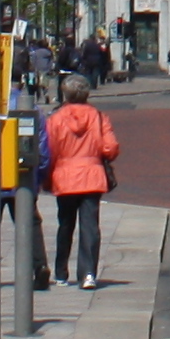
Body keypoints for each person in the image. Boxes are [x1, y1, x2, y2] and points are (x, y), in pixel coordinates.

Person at [45, 76, 118, 289]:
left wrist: (48, 179)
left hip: (65, 176)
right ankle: (88, 274)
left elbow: (50, 151)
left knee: (65, 225)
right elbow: (110, 147)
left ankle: (60, 273)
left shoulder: (56, 119)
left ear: (65, 94)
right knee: (90, 226)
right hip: (92, 176)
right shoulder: (98, 116)